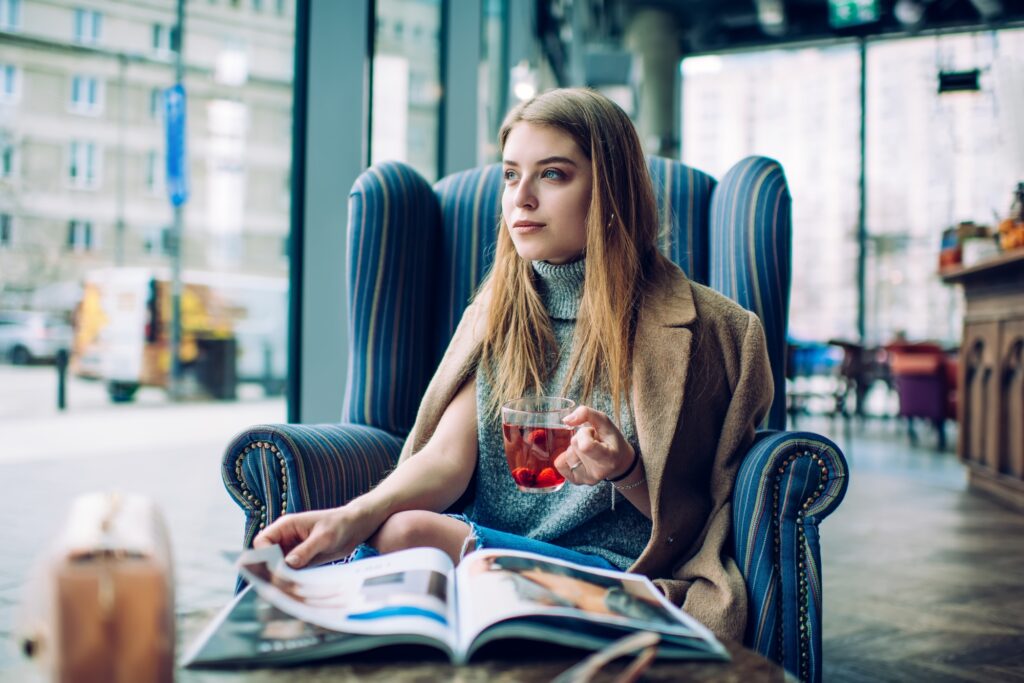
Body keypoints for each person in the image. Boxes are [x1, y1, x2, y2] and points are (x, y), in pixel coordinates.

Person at [254, 87, 773, 642]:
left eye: (552, 175)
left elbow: (703, 517)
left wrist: (625, 470)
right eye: (509, 175)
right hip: (486, 554)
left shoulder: (715, 330)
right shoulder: (496, 313)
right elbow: (447, 459)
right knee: (394, 534)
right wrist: (349, 517)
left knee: (407, 533)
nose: (520, 198)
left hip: (610, 574)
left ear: (610, 190)